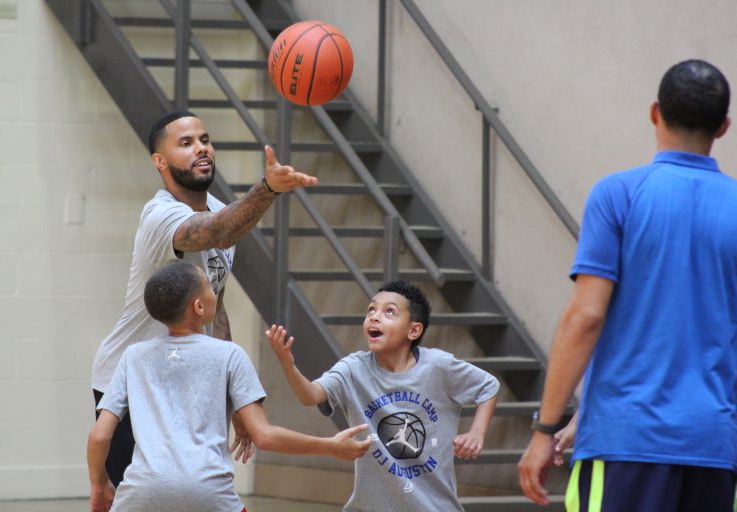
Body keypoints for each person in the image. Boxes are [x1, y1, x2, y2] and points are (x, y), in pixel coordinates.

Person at [518, 59, 737, 511]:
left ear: (655, 112)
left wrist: (545, 429)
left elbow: (586, 317)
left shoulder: (618, 194)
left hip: (626, 442)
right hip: (716, 446)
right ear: (724, 127)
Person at [90, 110, 318, 486]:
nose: (201, 149)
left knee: (193, 492)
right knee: (145, 499)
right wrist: (269, 188)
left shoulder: (218, 207)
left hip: (182, 380)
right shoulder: (160, 215)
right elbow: (218, 232)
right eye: (186, 143)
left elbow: (217, 307)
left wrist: (233, 395)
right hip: (130, 380)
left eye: (205, 140)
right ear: (159, 161)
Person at [87, 261, 372, 512]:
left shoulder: (133, 356)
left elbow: (100, 436)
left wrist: (99, 483)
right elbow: (265, 436)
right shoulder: (229, 354)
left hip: (141, 492)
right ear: (199, 306)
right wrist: (330, 447)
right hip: (208, 492)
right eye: (210, 287)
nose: (214, 292)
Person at [267, 280, 500, 511]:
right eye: (371, 309)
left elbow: (489, 386)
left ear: (414, 330)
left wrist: (477, 433)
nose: (375, 316)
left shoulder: (438, 367)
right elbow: (311, 395)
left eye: (389, 312)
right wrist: (289, 366)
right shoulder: (353, 368)